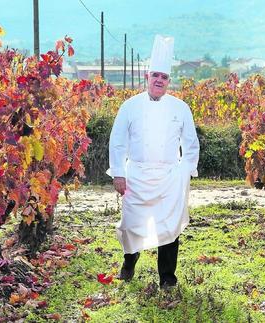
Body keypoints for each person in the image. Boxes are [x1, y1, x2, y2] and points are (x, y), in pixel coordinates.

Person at [106, 35, 200, 289]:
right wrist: (118, 173)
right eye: (155, 75)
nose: (159, 80)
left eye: (164, 77)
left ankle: (167, 278)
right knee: (131, 226)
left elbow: (190, 143)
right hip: (136, 175)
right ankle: (129, 262)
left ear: (169, 81)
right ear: (147, 77)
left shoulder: (180, 108)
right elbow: (118, 141)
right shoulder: (130, 106)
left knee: (169, 229)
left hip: (169, 177)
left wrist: (185, 172)